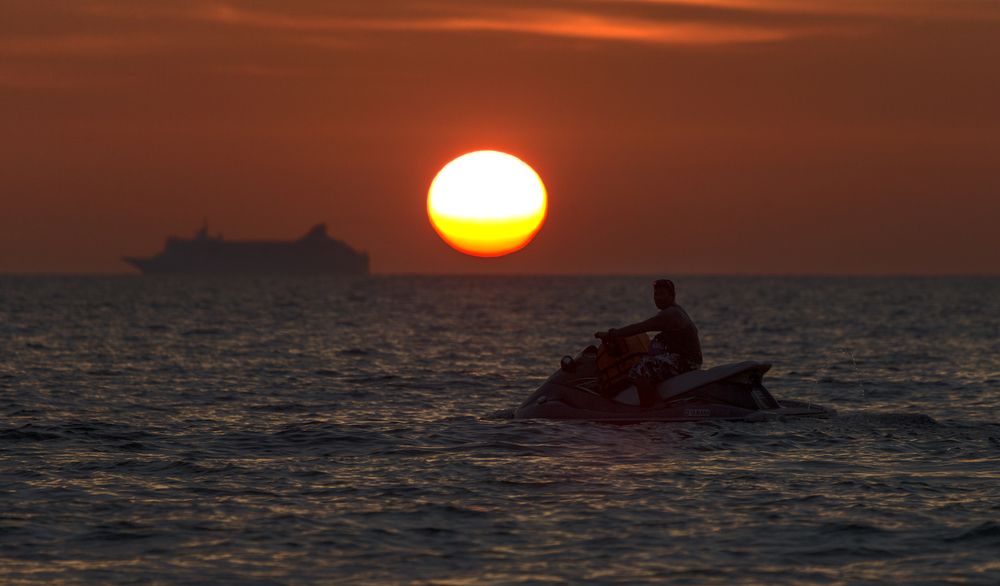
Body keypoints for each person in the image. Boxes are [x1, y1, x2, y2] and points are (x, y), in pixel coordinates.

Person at [595, 279, 703, 405]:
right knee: (648, 360)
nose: (658, 298)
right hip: (688, 360)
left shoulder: (670, 314)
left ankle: (652, 407)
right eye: (656, 294)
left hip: (685, 363)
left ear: (672, 296)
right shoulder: (677, 310)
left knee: (638, 371)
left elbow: (640, 327)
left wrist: (610, 334)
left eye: (662, 294)